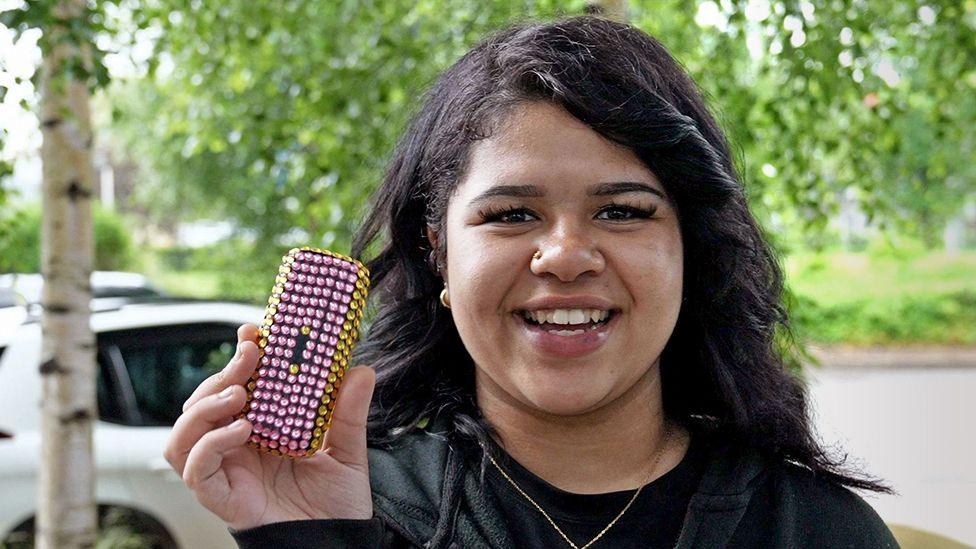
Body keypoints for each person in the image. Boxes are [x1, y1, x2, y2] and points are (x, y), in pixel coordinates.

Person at [164, 15, 899, 548]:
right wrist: (311, 542)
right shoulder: (355, 509)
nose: (566, 254)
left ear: (690, 249)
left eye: (622, 210)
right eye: (512, 213)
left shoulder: (815, 529)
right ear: (439, 253)